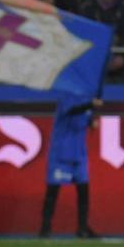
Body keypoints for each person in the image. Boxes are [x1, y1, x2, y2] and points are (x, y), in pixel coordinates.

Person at [39, 98, 100, 238]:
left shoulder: (87, 104)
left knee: (83, 191)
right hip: (61, 154)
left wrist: (92, 123)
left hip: (79, 155)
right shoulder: (67, 99)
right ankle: (45, 227)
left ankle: (82, 228)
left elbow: (86, 118)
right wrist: (90, 104)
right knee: (53, 192)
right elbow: (72, 111)